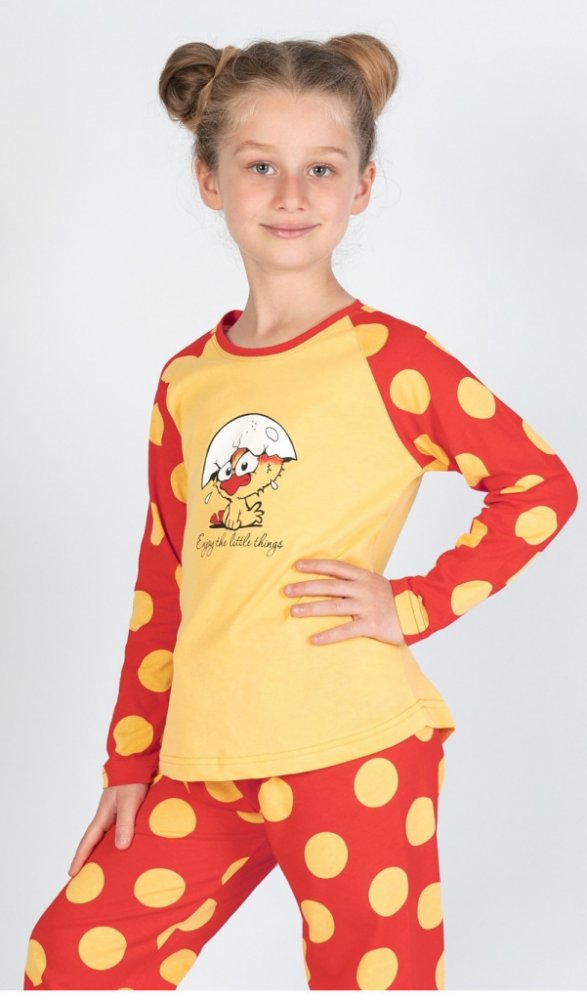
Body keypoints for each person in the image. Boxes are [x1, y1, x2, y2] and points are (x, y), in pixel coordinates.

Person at [23, 33, 578, 991]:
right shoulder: (188, 380)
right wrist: (129, 763)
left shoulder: (390, 359)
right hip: (202, 756)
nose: (290, 194)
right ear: (210, 180)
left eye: (320, 168)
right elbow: (164, 578)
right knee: (73, 957)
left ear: (360, 186)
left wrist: (410, 604)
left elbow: (539, 485)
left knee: (373, 983)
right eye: (259, 167)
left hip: (354, 746)